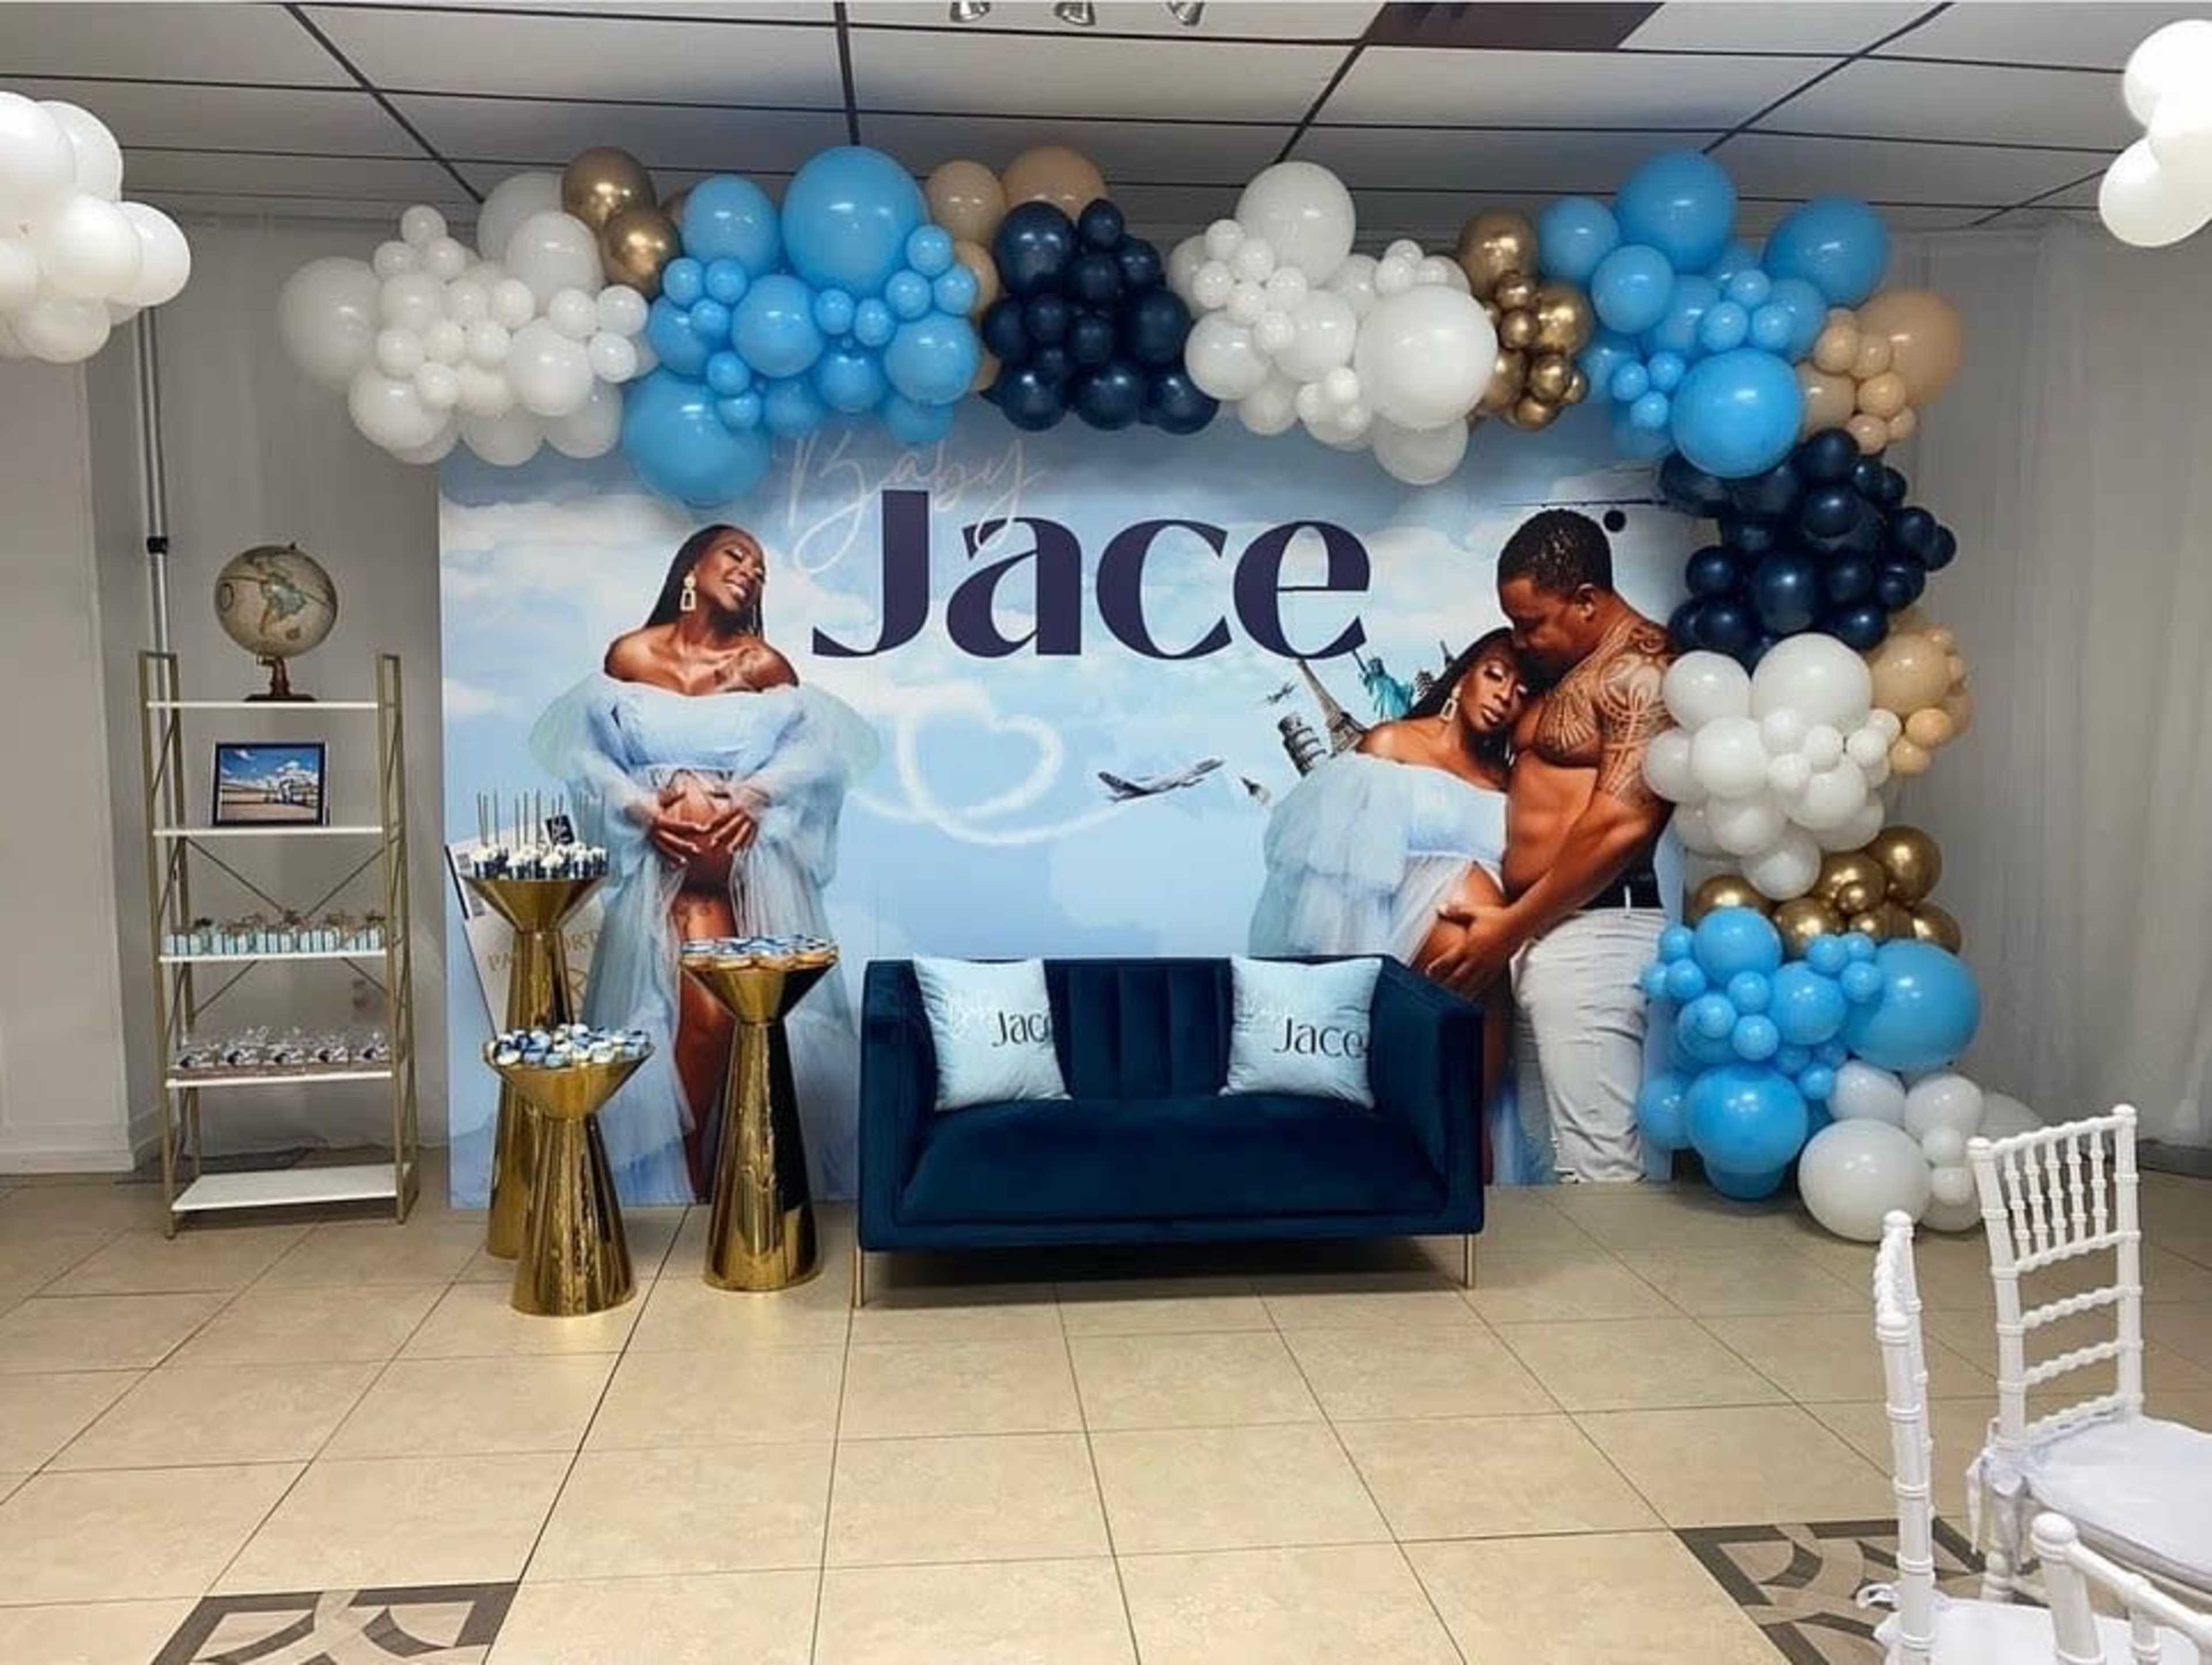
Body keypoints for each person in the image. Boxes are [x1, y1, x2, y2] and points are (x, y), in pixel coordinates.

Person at [532, 524, 877, 1205]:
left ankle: (737, 1171)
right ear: (692, 565)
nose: (751, 571)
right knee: (688, 1022)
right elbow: (587, 758)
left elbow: (817, 757)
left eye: (761, 569)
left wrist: (754, 794)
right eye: (737, 555)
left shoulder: (764, 668)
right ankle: (691, 1173)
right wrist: (638, 807)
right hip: (662, 881)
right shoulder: (629, 656)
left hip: (749, 883)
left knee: (735, 1024)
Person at [1426, 509, 1673, 1183]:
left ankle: (1617, 1295)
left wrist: (1509, 926)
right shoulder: (1566, 672)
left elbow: (1622, 825)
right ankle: (1562, 1293)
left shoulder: (1641, 670)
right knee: (1543, 1152)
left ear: (1587, 601)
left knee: (1594, 1161)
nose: (1520, 638)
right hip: (1545, 930)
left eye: (1533, 621)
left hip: (1595, 930)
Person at [1250, 628, 1528, 1116]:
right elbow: (1339, 876)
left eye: (1522, 693)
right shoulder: (1392, 743)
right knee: (1409, 1109)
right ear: (1463, 679)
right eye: (1496, 676)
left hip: (1492, 973)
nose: (1505, 697)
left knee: (1473, 1115)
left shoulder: (1506, 780)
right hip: (1400, 955)